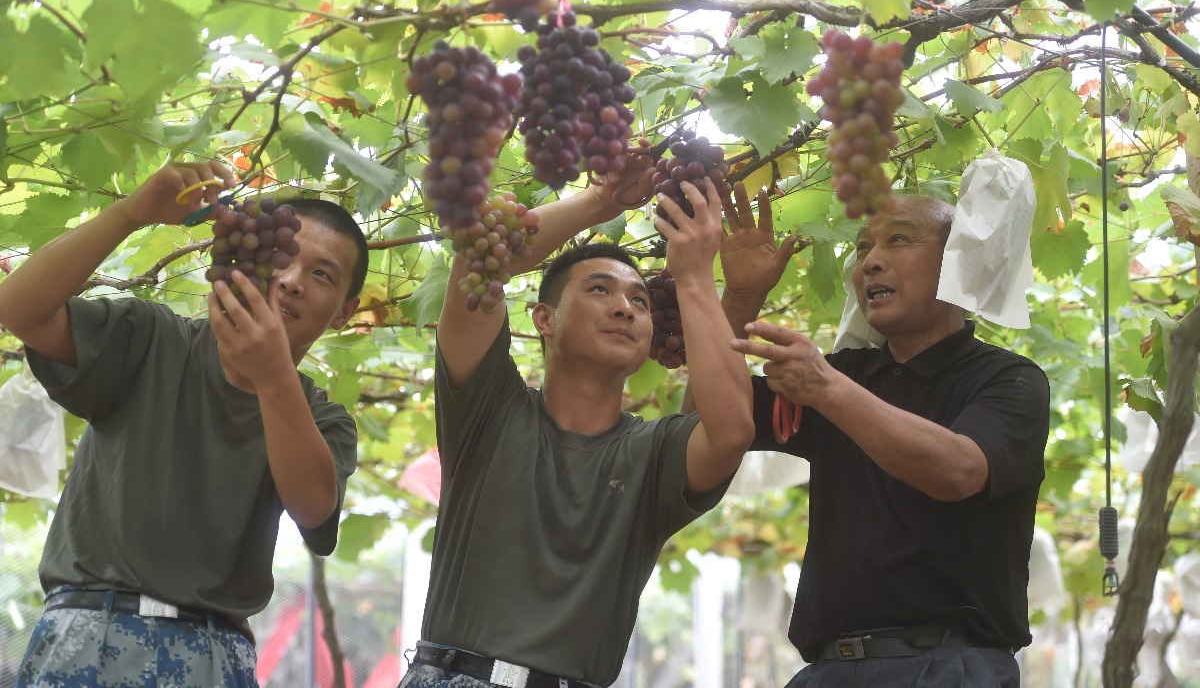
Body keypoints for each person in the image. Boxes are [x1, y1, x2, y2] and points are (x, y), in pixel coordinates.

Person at [0, 162, 367, 687]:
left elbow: (313, 506)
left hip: (214, 656)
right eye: (282, 258)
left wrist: (273, 377)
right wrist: (132, 213)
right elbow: (17, 308)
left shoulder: (324, 420)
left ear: (345, 311)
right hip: (87, 636)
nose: (290, 281)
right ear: (251, 259)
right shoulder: (149, 338)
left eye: (322, 274)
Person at [399, 174, 753, 688]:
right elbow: (480, 260)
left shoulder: (655, 453)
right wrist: (601, 200)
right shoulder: (487, 411)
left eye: (640, 301)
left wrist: (697, 277)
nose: (623, 308)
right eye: (599, 289)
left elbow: (732, 430)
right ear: (544, 318)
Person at [719, 188, 1050, 687]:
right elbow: (709, 417)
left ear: (955, 260)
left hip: (948, 670)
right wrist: (740, 299)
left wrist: (828, 390)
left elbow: (959, 470)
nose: (871, 262)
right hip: (826, 671)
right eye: (862, 248)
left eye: (898, 239)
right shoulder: (842, 374)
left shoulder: (1008, 379)